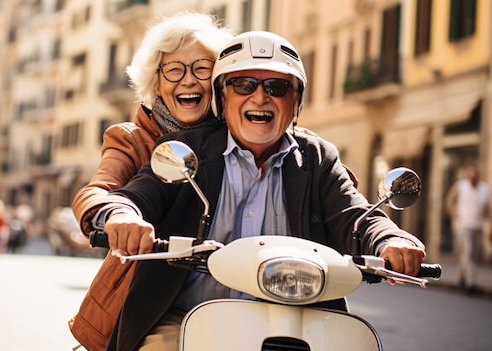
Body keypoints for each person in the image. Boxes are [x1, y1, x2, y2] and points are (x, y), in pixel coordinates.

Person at [96, 31, 426, 351]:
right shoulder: (184, 150)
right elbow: (137, 196)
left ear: (296, 100)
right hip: (187, 318)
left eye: (277, 86)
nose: (260, 97)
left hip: (299, 320)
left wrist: (392, 240)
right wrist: (122, 216)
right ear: (223, 96)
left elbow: (355, 214)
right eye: (244, 84)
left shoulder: (317, 159)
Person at [69, 12, 234, 351]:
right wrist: (119, 217)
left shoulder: (241, 138)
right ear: (157, 83)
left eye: (202, 68)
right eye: (174, 70)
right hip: (151, 299)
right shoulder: (131, 139)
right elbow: (97, 190)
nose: (188, 80)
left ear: (218, 80)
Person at [446, 163, 490, 294]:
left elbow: (488, 207)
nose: (473, 179)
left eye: (475, 177)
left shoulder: (484, 189)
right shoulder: (461, 187)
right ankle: (471, 283)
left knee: (471, 254)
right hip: (464, 225)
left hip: (478, 224)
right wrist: (454, 214)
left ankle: (460, 278)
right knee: (469, 252)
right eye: (471, 177)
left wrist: (485, 213)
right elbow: (449, 201)